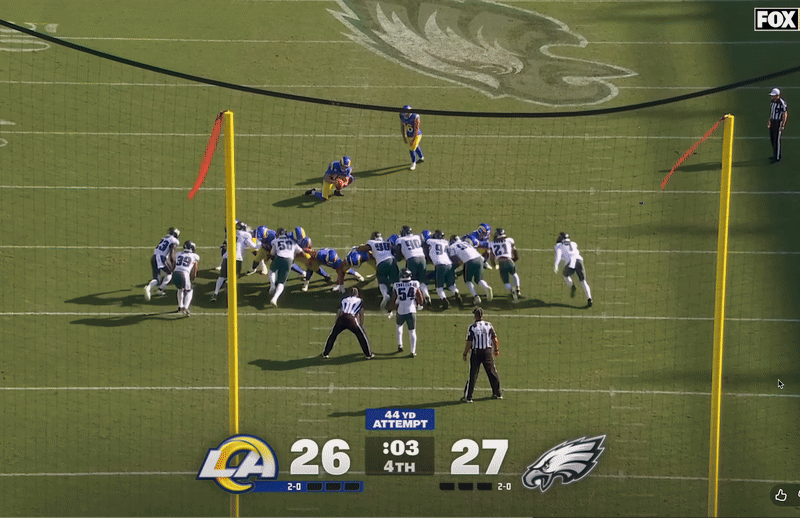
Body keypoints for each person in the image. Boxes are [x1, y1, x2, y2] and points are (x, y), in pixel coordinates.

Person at [461, 307, 502, 402]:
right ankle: (497, 393)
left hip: (476, 353)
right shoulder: (488, 325)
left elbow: (469, 342)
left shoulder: (472, 327)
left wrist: (465, 353)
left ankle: (468, 397)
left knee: (473, 374)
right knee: (492, 372)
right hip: (487, 352)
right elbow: (494, 338)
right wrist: (496, 350)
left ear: (475, 316)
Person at [210, 221, 258, 302]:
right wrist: (258, 243)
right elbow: (252, 246)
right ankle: (230, 294)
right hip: (237, 258)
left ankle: (215, 293)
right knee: (234, 277)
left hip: (227, 256)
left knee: (221, 276)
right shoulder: (246, 234)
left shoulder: (231, 232)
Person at [322, 288, 374, 359]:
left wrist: (336, 323)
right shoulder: (360, 301)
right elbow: (361, 314)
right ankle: (368, 354)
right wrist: (361, 325)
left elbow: (339, 312)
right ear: (357, 294)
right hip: (351, 319)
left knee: (333, 335)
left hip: (342, 318)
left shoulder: (344, 300)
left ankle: (325, 353)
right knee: (361, 336)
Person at [388, 268, 424, 357]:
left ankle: (400, 344)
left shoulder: (396, 285)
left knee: (399, 326)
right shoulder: (415, 283)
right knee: (412, 331)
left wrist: (390, 309)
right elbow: (420, 296)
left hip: (401, 310)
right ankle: (413, 351)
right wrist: (420, 304)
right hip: (411, 310)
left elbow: (393, 299)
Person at [449, 235, 493, 306]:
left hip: (469, 261)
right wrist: (485, 264)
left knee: (468, 281)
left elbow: (454, 260)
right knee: (479, 279)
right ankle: (486, 287)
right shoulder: (466, 243)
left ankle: (476, 297)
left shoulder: (452, 247)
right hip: (479, 259)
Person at [361, 231, 400, 309]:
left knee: (382, 280)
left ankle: (385, 295)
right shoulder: (387, 242)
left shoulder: (371, 242)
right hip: (392, 261)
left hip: (381, 263)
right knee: (396, 280)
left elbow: (364, 248)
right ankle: (398, 297)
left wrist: (358, 248)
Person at [268, 228, 306, 306]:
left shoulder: (275, 240)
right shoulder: (293, 242)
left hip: (279, 257)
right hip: (289, 261)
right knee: (281, 282)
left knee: (272, 271)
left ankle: (272, 285)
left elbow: (272, 253)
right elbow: (301, 252)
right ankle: (275, 299)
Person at [395, 225, 432, 305]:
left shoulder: (400, 240)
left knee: (411, 281)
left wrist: (399, 257)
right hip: (422, 258)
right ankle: (426, 295)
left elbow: (398, 253)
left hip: (412, 259)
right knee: (422, 280)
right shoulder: (418, 237)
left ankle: (415, 299)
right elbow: (424, 246)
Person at [554, 232, 592, 307]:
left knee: (565, 275)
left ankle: (572, 285)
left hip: (571, 262)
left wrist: (556, 265)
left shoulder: (559, 246)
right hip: (579, 260)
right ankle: (589, 298)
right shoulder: (573, 243)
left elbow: (558, 256)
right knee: (583, 281)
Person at [425, 229, 461, 309]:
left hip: (440, 265)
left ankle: (444, 300)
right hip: (449, 264)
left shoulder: (431, 241)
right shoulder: (446, 242)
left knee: (439, 287)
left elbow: (426, 239)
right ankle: (456, 292)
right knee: (451, 285)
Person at [144, 227, 180, 301]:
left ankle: (148, 288)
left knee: (156, 278)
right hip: (160, 258)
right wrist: (173, 263)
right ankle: (160, 289)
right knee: (169, 273)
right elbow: (172, 253)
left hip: (154, 257)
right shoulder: (174, 240)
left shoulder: (164, 238)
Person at [488, 228, 521, 303]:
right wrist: (515, 258)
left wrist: (494, 265)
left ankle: (511, 290)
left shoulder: (491, 243)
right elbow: (514, 250)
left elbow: (492, 257)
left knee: (506, 283)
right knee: (514, 274)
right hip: (509, 260)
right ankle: (517, 289)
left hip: (501, 263)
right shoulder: (509, 240)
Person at [172, 240, 200, 316]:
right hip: (184, 273)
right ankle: (186, 307)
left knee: (180, 289)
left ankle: (180, 306)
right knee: (189, 291)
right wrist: (193, 276)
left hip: (175, 273)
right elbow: (195, 268)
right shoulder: (195, 256)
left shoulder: (178, 254)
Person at [400, 105, 425, 170]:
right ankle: (421, 157)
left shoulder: (415, 116)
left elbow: (416, 129)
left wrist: (414, 139)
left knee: (412, 148)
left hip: (417, 135)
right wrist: (404, 137)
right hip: (409, 135)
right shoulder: (402, 116)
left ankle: (413, 163)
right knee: (415, 146)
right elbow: (402, 127)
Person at [768, 87, 788, 163]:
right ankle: (774, 154)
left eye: (774, 96)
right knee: (772, 139)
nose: (772, 97)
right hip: (773, 121)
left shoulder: (782, 103)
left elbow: (784, 114)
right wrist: (770, 121)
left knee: (777, 140)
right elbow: (772, 112)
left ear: (777, 95)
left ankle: (777, 157)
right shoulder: (772, 102)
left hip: (778, 122)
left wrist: (782, 124)